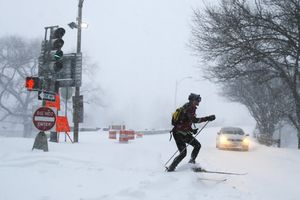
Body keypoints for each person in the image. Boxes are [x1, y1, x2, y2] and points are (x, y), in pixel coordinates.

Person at [167, 93, 215, 172]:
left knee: (197, 145)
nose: (198, 103)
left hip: (183, 133)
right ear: (192, 100)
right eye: (197, 101)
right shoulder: (189, 108)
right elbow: (194, 120)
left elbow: (185, 122)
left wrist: (192, 130)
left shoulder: (188, 107)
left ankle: (191, 162)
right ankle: (171, 168)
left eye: (199, 101)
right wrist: (208, 118)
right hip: (178, 134)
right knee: (183, 153)